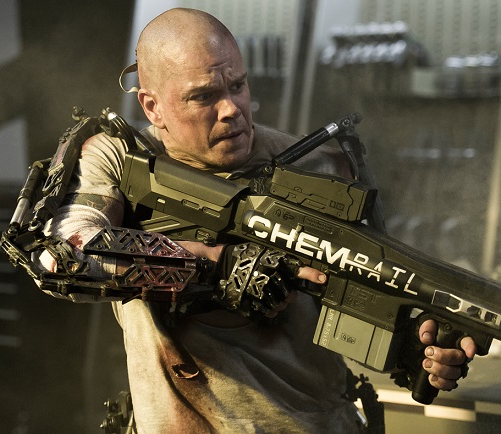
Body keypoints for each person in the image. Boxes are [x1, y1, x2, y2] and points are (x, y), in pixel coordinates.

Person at [37, 8, 476, 433]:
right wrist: (218, 265)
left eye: (238, 85)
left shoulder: (314, 166)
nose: (231, 108)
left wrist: (415, 349)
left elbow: (358, 305)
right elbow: (64, 254)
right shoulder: (119, 159)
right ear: (152, 107)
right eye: (203, 96)